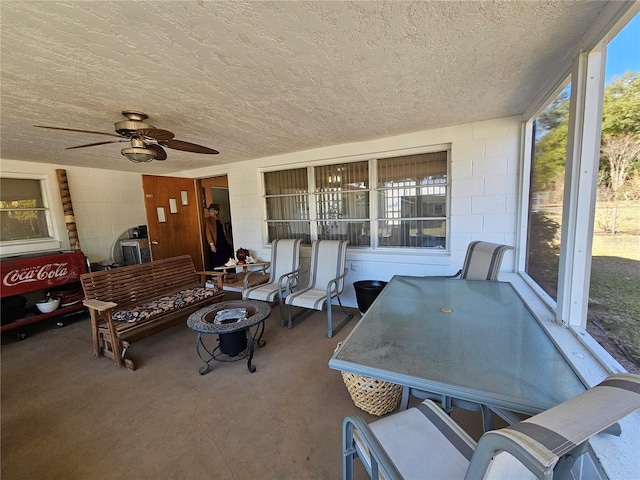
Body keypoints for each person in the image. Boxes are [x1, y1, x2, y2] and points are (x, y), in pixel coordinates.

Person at [205, 203, 233, 270]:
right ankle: (217, 275)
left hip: (224, 241)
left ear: (217, 211)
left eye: (212, 210)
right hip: (216, 242)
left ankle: (227, 273)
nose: (210, 212)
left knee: (226, 257)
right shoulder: (207, 220)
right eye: (210, 211)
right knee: (217, 258)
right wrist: (211, 244)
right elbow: (208, 233)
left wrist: (229, 241)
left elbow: (225, 230)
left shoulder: (221, 219)